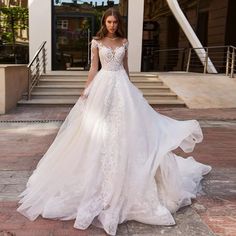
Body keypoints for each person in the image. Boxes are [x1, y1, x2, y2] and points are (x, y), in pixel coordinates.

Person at [17, 7, 211, 236]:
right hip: (102, 86)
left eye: (114, 22)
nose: (111, 25)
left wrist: (132, 90)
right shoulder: (96, 41)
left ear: (119, 23)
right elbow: (93, 68)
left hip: (122, 88)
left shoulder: (124, 42)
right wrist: (86, 91)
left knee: (127, 131)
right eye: (108, 22)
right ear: (104, 22)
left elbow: (126, 69)